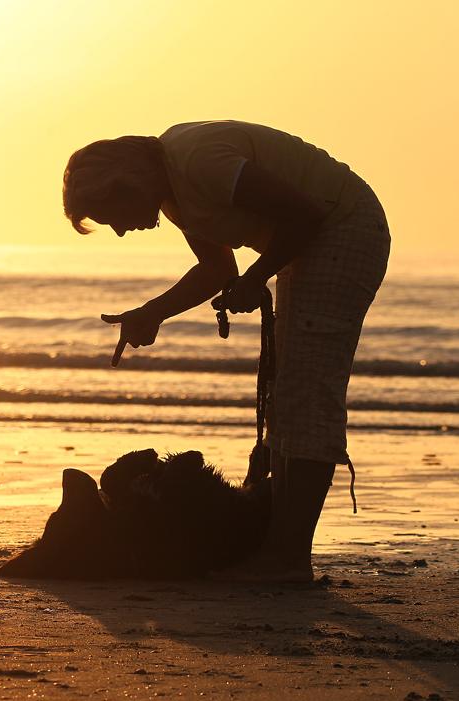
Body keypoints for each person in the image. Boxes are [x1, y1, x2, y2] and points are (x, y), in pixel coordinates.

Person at [62, 120, 390, 582]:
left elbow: (306, 215)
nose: (117, 230)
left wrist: (257, 279)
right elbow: (217, 268)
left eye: (109, 213)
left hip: (343, 230)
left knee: (307, 394)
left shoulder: (197, 160)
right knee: (288, 396)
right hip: (315, 243)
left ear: (126, 182)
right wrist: (153, 313)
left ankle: (287, 559)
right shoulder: (175, 193)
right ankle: (278, 548)